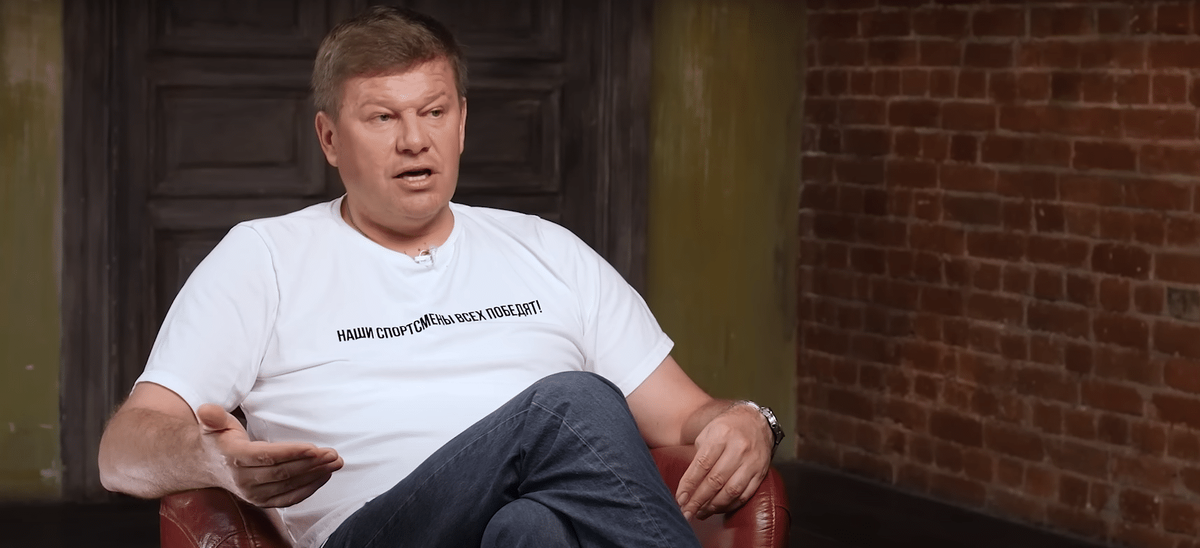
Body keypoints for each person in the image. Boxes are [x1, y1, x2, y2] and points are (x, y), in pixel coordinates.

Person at [97, 6, 783, 548]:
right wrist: (213, 462)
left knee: (531, 528)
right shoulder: (264, 257)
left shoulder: (548, 250)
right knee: (568, 405)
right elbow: (121, 452)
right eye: (382, 117)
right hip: (371, 533)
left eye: (434, 111)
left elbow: (686, 415)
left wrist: (751, 419)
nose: (414, 140)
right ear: (330, 138)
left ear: (461, 123)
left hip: (523, 528)